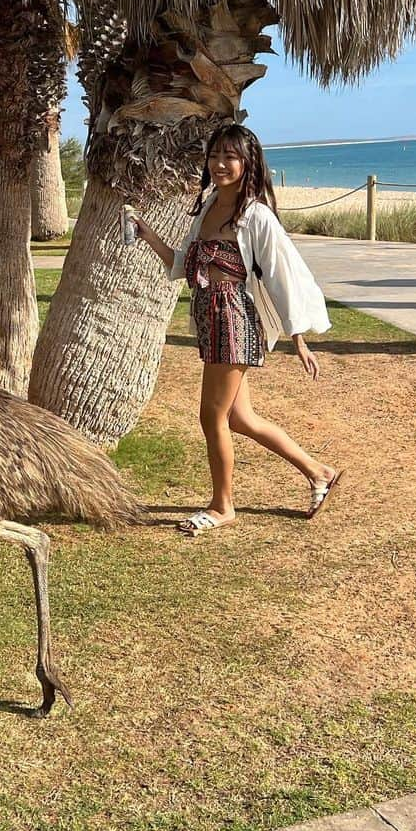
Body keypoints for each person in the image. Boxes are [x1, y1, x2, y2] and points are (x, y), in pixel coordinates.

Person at [129, 122, 343, 535]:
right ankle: (319, 472)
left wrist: (298, 337)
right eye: (215, 155)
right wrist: (146, 234)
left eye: (230, 156)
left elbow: (284, 273)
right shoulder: (208, 205)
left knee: (212, 416)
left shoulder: (256, 215)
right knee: (240, 418)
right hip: (210, 316)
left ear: (248, 163)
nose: (220, 163)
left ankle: (222, 505)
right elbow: (182, 265)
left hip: (233, 319)